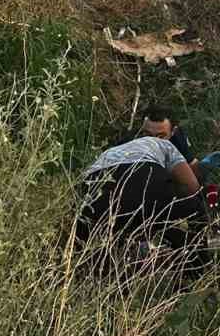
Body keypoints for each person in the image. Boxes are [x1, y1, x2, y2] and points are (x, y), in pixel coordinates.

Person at [75, 116, 209, 274]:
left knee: (97, 247)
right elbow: (191, 186)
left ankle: (94, 281)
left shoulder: (110, 151)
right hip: (141, 175)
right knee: (193, 208)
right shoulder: (163, 143)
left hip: (92, 187)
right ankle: (197, 273)